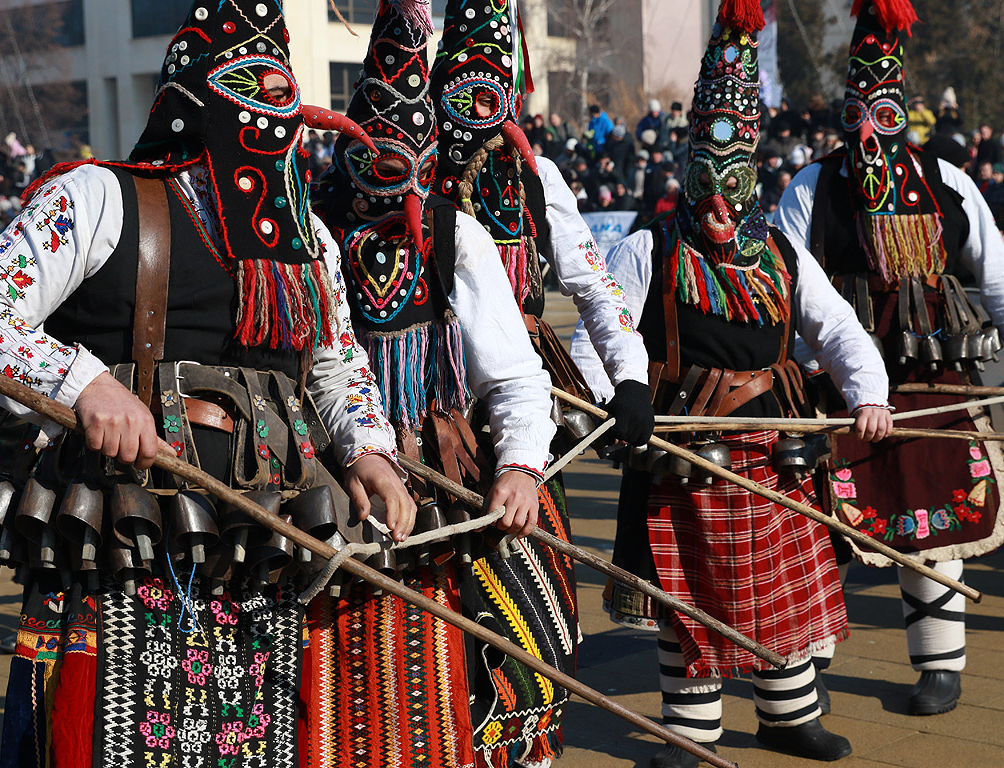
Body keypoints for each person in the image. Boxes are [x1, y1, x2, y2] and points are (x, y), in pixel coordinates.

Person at [0, 2, 414, 766]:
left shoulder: (310, 240)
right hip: (117, 547)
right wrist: (86, 384)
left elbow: (337, 364)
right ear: (192, 101)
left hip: (263, 549)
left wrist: (367, 451)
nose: (273, 115)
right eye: (251, 87)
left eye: (284, 92)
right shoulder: (94, 199)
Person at [571, 2, 892, 765]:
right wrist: (605, 398)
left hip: (778, 446)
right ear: (688, 170)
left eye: (732, 184)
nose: (717, 204)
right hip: (684, 451)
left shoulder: (782, 251)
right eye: (704, 183)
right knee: (692, 602)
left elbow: (840, 329)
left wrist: (868, 394)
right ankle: (691, 733)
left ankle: (789, 716)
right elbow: (600, 332)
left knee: (783, 591)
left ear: (753, 176)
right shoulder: (648, 250)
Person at [304, 2, 560, 766]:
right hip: (329, 480)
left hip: (448, 474)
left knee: (491, 664)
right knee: (328, 684)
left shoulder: (456, 233)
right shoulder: (303, 226)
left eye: (416, 165)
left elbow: (514, 373)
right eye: (384, 165)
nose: (405, 191)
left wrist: (517, 467)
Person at [429, 1, 653, 764]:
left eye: (491, 89)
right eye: (461, 86)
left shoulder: (536, 174)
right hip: (416, 416)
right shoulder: (391, 167)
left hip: (520, 417)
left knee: (542, 622)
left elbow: (594, 287)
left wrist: (626, 378)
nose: (476, 108)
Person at [776, 0, 1004, 719]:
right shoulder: (811, 188)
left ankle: (940, 664)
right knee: (819, 522)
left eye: (884, 108)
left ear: (903, 108)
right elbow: (783, 288)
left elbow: (994, 272)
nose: (870, 127)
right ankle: (803, 677)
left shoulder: (949, 181)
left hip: (934, 377)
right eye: (857, 108)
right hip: (834, 383)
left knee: (933, 510)